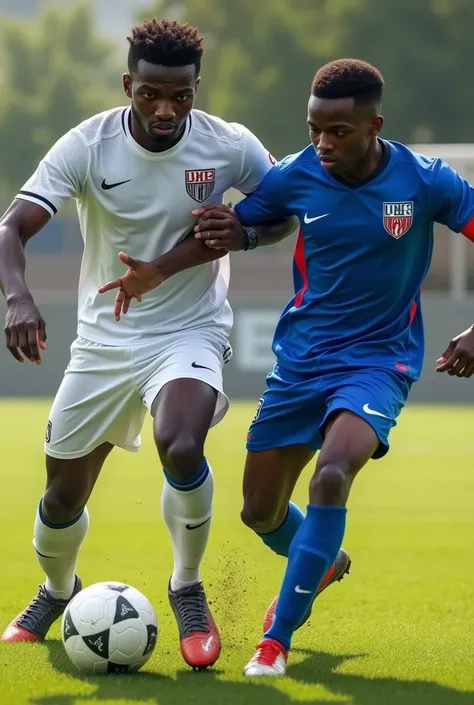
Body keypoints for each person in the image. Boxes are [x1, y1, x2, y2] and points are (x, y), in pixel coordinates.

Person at [0, 17, 312, 670]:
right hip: (103, 338)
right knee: (61, 497)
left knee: (182, 440)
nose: (165, 109)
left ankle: (187, 585)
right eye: (150, 94)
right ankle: (58, 590)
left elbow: (284, 209)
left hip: (189, 328)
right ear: (127, 86)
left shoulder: (229, 145)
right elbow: (12, 229)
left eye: (180, 95)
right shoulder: (87, 146)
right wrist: (18, 298)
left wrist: (248, 234)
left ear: (197, 88)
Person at [189, 58, 474, 676]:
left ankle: (275, 642)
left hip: (379, 361)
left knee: (331, 474)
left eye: (338, 132)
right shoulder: (296, 174)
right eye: (315, 128)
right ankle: (325, 563)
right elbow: (249, 223)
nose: (323, 143)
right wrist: (226, 231)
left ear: (376, 125)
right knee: (259, 512)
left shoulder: (426, 182)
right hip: (301, 365)